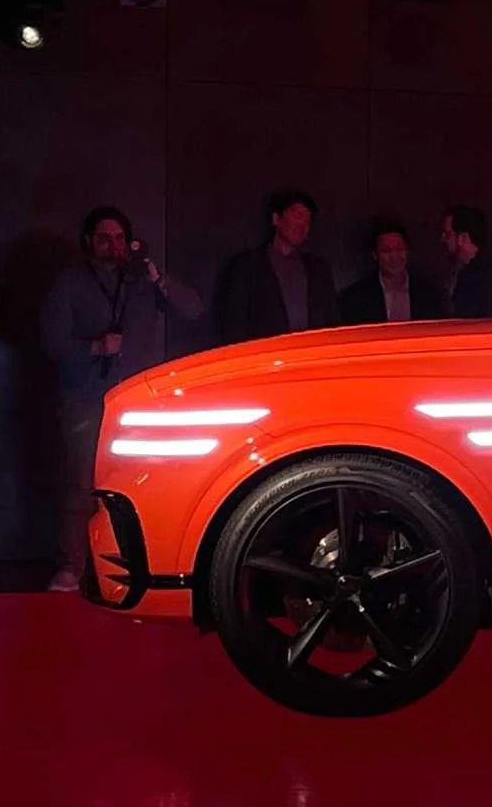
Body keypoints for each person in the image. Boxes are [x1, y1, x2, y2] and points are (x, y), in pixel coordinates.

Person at [39, 206, 204, 592]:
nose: (113, 246)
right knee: (81, 482)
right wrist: (96, 347)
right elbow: (52, 341)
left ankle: (133, 567)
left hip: (137, 398)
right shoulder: (70, 282)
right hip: (85, 395)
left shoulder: (142, 281)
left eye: (119, 239)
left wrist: (157, 277)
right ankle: (72, 565)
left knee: (137, 484)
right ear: (88, 241)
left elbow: (193, 309)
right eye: (104, 238)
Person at [215, 189, 337, 345]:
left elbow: (332, 321)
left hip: (311, 353)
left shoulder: (319, 269)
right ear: (276, 219)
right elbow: (234, 325)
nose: (302, 225)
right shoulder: (247, 267)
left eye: (308, 221)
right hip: (265, 354)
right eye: (297, 216)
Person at [339, 218, 446, 325]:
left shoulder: (429, 294)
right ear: (375, 255)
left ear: (408, 252)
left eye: (399, 249)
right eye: (386, 251)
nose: (394, 257)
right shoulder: (356, 298)